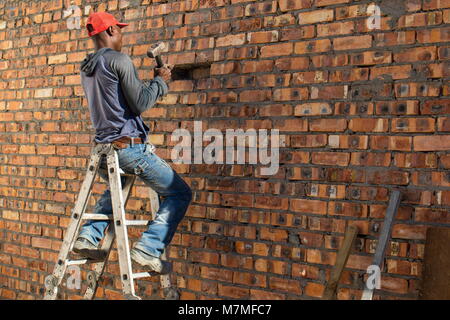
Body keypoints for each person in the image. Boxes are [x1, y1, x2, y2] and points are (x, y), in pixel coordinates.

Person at [73, 11, 192, 274]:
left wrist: (153, 81)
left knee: (116, 188)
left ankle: (88, 237)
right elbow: (139, 103)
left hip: (105, 150)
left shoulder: (88, 66)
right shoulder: (119, 60)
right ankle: (149, 249)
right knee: (179, 193)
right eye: (120, 29)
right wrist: (160, 81)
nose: (122, 34)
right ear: (112, 31)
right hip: (129, 148)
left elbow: (121, 100)